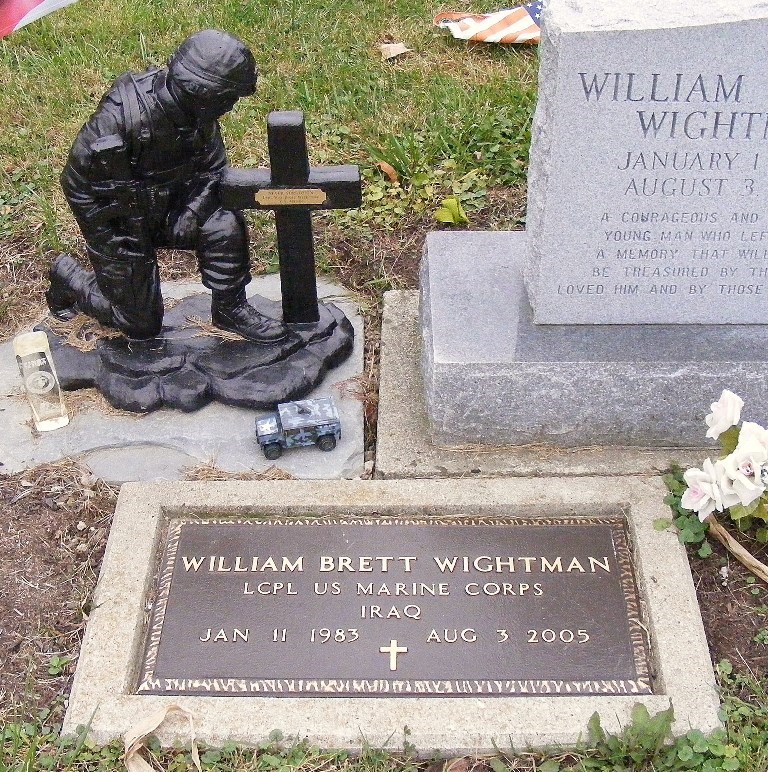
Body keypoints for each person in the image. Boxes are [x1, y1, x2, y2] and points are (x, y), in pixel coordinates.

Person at [46, 29, 287, 343]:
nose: (230, 107)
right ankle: (69, 277)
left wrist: (192, 211)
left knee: (224, 223)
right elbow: (75, 182)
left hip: (175, 211)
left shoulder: (200, 118)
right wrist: (107, 236)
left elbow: (215, 170)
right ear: (200, 93)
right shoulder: (120, 118)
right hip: (121, 223)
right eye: (226, 98)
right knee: (139, 326)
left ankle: (230, 308)